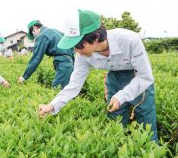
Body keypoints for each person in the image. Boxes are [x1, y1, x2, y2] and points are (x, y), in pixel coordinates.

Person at [38, 10, 158, 142]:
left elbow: (145, 76)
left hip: (138, 78)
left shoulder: (129, 40)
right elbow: (74, 85)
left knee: (146, 123)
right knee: (115, 122)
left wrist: (120, 96)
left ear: (95, 37)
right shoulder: (82, 56)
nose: (76, 51)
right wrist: (52, 105)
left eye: (78, 45)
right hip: (114, 78)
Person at [18, 20, 74, 89]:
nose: (34, 37)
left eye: (32, 34)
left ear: (34, 28)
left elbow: (36, 58)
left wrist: (24, 76)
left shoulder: (42, 35)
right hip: (69, 63)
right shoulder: (54, 31)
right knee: (67, 90)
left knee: (57, 89)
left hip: (63, 64)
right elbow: (71, 47)